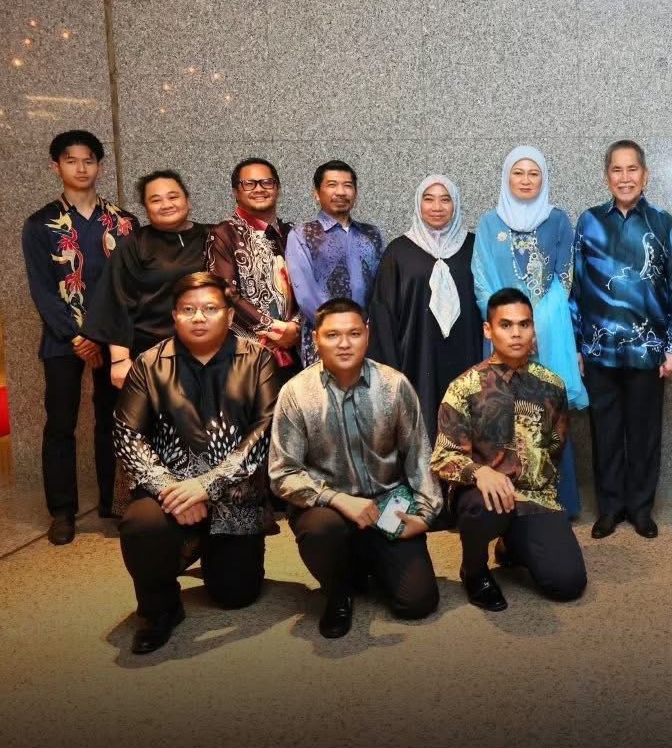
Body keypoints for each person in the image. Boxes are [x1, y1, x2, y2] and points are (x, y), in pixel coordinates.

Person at [112, 272, 279, 654]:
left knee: (236, 595)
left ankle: (208, 551)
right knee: (141, 526)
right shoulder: (149, 363)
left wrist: (207, 486)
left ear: (229, 315)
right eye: (188, 310)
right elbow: (126, 435)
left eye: (209, 309)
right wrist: (171, 489)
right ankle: (160, 609)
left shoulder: (258, 359)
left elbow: (266, 430)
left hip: (235, 495)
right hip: (168, 495)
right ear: (175, 315)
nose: (199, 317)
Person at [269, 298, 441, 639]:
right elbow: (282, 473)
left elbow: (419, 455)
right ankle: (338, 592)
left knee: (417, 602)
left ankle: (366, 562)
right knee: (321, 530)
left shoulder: (394, 385)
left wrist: (425, 515)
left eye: (354, 333)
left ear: (368, 334)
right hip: (328, 509)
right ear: (315, 338)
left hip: (387, 506)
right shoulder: (296, 393)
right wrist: (336, 499)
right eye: (333, 335)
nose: (344, 343)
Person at [432, 287, 587, 611]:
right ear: (488, 330)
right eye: (506, 325)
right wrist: (480, 472)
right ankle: (474, 571)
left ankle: (512, 545)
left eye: (524, 324)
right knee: (483, 507)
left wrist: (543, 500)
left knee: (567, 583)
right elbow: (443, 457)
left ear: (533, 329)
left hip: (534, 497)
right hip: (484, 496)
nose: (516, 333)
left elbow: (555, 448)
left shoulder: (552, 386)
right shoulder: (464, 387)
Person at [570, 140, 672, 540]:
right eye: (617, 170)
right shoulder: (589, 222)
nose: (625, 178)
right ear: (607, 177)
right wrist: (577, 346)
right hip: (599, 350)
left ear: (645, 175)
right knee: (604, 434)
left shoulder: (664, 223)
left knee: (644, 434)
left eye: (632, 169)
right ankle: (609, 509)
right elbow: (577, 288)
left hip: (648, 351)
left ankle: (640, 509)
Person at [21, 129, 135, 543]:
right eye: (71, 160)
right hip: (62, 339)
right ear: (57, 167)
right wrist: (75, 336)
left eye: (88, 160)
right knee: (60, 424)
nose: (81, 167)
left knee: (113, 420)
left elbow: (128, 285)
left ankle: (112, 502)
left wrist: (103, 335)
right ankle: (63, 511)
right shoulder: (40, 224)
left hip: (114, 340)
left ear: (100, 166)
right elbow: (42, 289)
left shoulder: (123, 222)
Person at [470, 146, 586, 517]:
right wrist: (507, 326)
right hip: (502, 337)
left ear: (543, 179)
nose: (525, 180)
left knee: (548, 415)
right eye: (518, 173)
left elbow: (564, 277)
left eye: (533, 173)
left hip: (549, 336)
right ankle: (507, 501)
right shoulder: (489, 223)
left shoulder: (558, 220)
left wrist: (536, 327)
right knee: (502, 413)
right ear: (507, 177)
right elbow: (482, 279)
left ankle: (557, 502)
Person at [368, 174, 482, 444]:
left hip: (467, 353)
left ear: (456, 204)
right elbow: (383, 314)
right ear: (418, 204)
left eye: (445, 200)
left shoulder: (474, 247)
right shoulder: (398, 251)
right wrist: (390, 371)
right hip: (415, 356)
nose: (437, 207)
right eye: (428, 199)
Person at [85, 170, 209, 387]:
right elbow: (115, 300)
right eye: (156, 200)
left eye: (173, 196)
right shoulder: (134, 244)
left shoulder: (214, 236)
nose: (166, 204)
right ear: (145, 208)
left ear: (187, 200)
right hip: (152, 353)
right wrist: (120, 360)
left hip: (210, 350)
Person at [206, 157, 302, 383]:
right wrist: (275, 329)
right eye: (249, 183)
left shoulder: (293, 233)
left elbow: (308, 285)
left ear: (277, 188)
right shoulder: (223, 234)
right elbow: (224, 292)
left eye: (267, 182)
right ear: (235, 192)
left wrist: (295, 327)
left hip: (296, 347)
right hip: (245, 355)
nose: (259, 189)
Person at [284, 160, 385, 368]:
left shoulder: (371, 234)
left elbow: (382, 288)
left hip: (367, 338)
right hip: (323, 338)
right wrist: (338, 329)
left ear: (355, 192)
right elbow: (305, 294)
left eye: (347, 185)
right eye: (332, 185)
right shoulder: (302, 234)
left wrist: (365, 329)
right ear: (316, 193)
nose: (341, 192)